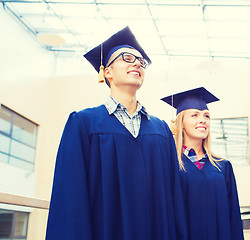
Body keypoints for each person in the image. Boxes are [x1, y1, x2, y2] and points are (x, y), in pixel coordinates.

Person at [46, 26, 187, 240]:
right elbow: (70, 195)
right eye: (127, 57)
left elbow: (173, 196)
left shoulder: (161, 131)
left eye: (141, 62)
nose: (137, 63)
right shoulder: (84, 123)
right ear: (107, 72)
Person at [161, 87, 244, 240]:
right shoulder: (169, 165)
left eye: (206, 116)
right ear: (181, 123)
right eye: (194, 115)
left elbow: (234, 218)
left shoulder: (223, 167)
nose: (203, 120)